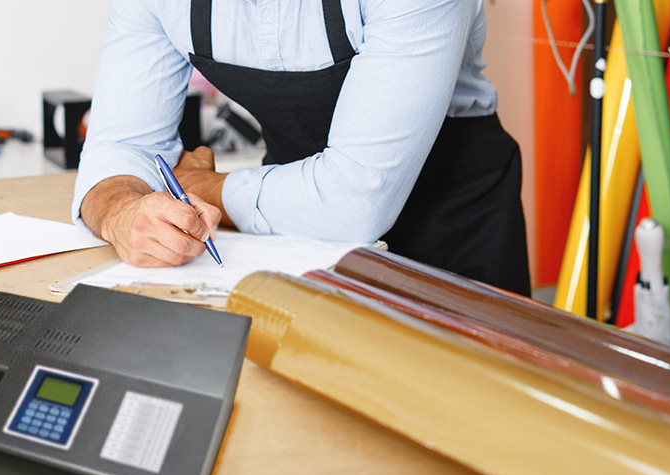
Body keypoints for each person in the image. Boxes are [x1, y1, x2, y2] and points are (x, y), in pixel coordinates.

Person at [73, 0, 530, 295]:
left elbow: (353, 201)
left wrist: (198, 186)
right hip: (289, 232)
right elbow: (121, 142)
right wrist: (120, 214)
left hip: (452, 225)